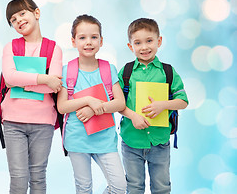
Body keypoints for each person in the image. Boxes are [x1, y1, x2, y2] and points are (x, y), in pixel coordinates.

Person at [57, 14, 127, 194]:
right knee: (84, 187)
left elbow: (120, 103)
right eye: (82, 37)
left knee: (120, 187)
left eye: (94, 37)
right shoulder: (67, 71)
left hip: (105, 139)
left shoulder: (108, 69)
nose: (88, 42)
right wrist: (88, 100)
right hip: (77, 139)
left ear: (101, 41)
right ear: (73, 41)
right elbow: (62, 106)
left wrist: (93, 110)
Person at [118, 18, 188, 193]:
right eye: (138, 43)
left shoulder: (168, 72)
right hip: (131, 140)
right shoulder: (125, 72)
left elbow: (183, 101)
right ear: (130, 46)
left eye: (149, 41)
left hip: (160, 141)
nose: (144, 47)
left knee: (162, 187)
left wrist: (163, 105)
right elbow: (117, 104)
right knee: (134, 187)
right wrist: (133, 115)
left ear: (159, 41)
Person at [1, 0, 63, 194]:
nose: (18, 20)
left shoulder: (54, 48)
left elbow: (54, 86)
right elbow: (9, 78)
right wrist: (43, 79)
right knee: (18, 179)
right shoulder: (10, 47)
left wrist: (23, 83)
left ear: (36, 13)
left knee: (38, 177)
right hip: (13, 121)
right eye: (12, 19)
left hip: (43, 122)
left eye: (22, 13)